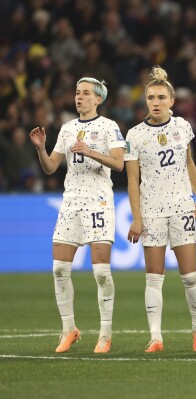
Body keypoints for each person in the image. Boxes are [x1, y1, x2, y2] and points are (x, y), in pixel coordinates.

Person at [29, 77, 125, 353]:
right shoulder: (68, 128)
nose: (79, 97)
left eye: (85, 93)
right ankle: (68, 329)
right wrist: (40, 148)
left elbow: (119, 164)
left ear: (98, 99)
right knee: (59, 269)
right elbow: (50, 168)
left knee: (101, 273)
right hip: (71, 202)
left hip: (99, 201)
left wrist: (91, 151)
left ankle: (105, 334)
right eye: (77, 92)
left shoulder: (109, 127)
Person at [125, 66, 196, 353]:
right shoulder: (134, 135)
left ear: (171, 101)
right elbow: (132, 179)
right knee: (154, 277)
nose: (155, 102)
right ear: (145, 100)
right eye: (150, 97)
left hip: (182, 207)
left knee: (189, 276)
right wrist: (137, 217)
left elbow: (189, 162)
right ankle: (156, 338)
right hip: (151, 211)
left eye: (161, 97)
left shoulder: (183, 126)